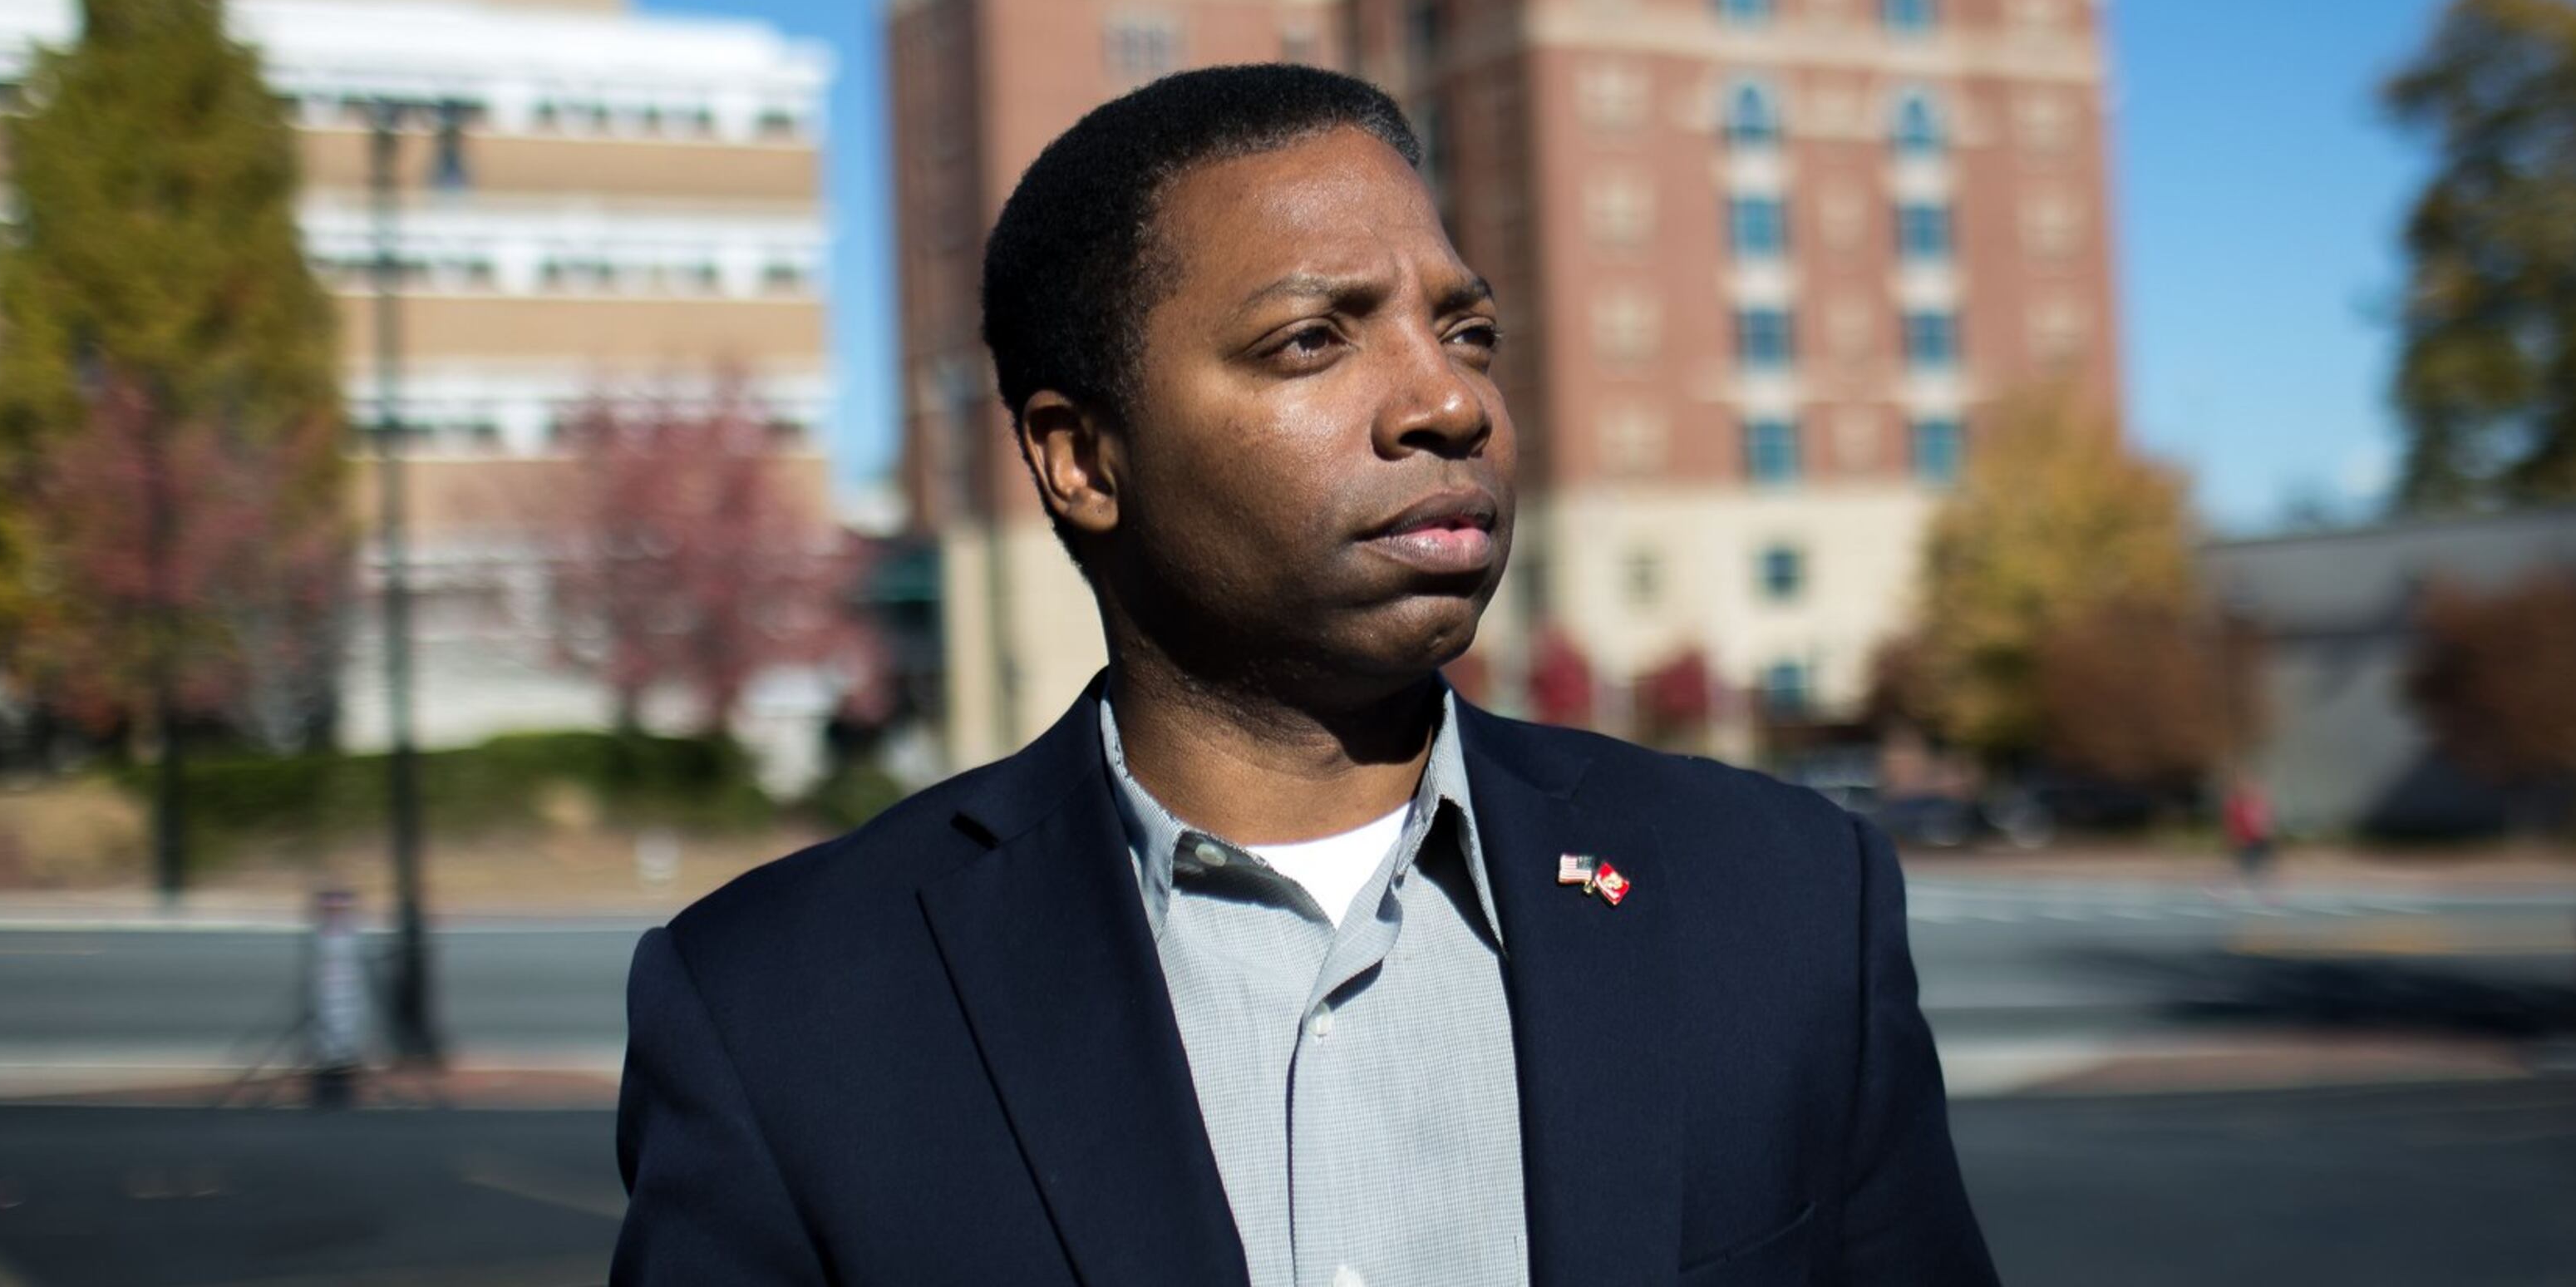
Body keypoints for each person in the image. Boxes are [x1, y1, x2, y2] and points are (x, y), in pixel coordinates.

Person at [611, 65, 1997, 1286]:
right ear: (1082, 459)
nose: (1450, 403)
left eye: (1466, 333)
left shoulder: (1785, 902)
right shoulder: (780, 1009)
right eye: (1312, 341)